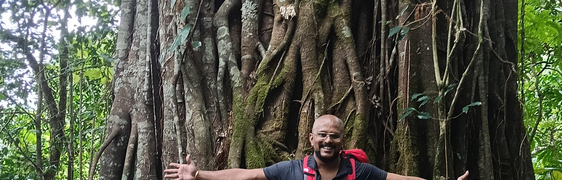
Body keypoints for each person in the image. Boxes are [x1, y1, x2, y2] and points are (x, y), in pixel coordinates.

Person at [164, 114, 471, 180]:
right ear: (311, 139)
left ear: (342, 140)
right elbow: (247, 175)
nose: (328, 140)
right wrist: (199, 175)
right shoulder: (292, 169)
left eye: (334, 136)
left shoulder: (358, 171)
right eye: (322, 135)